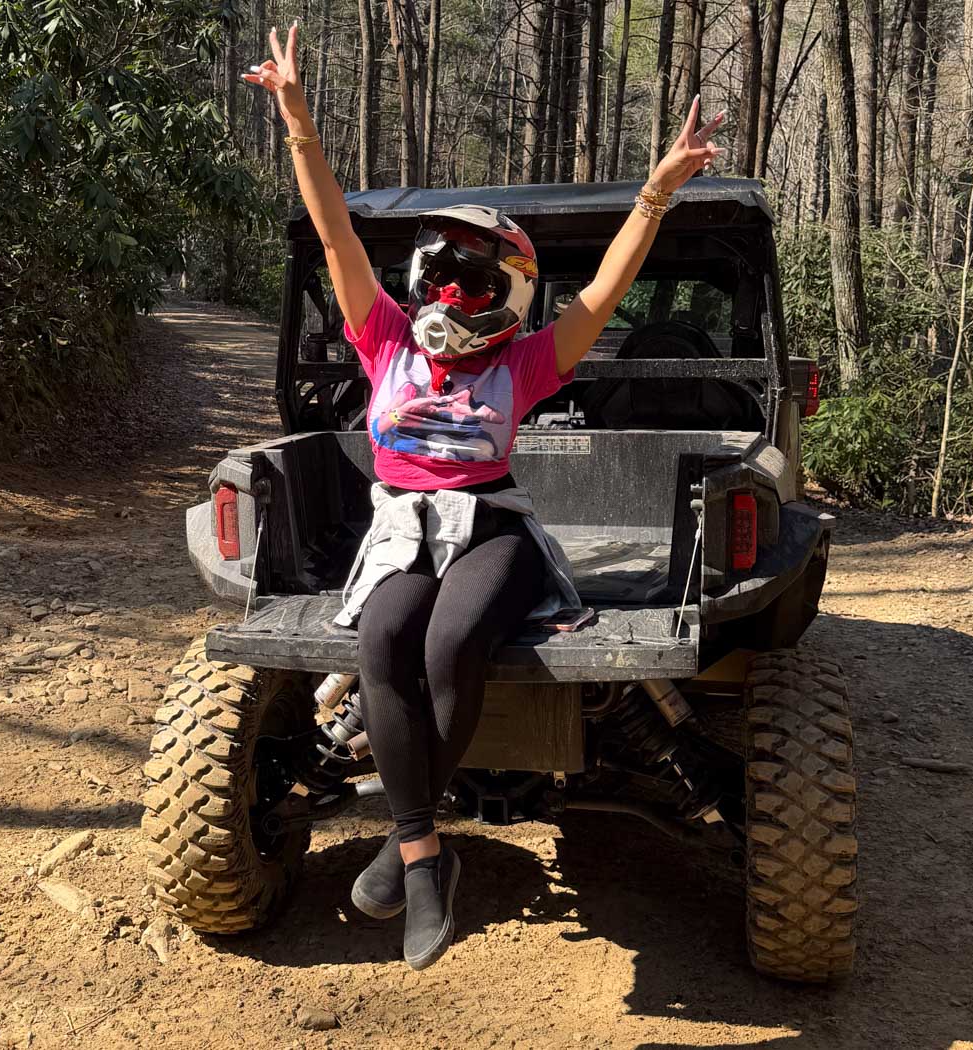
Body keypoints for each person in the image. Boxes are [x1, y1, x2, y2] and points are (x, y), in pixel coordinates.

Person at [243, 22, 723, 970]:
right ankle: (426, 853)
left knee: (450, 643)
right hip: (401, 528)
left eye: (473, 281)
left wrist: (658, 192)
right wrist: (299, 123)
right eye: (442, 276)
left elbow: (606, 290)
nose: (453, 296)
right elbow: (335, 231)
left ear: (507, 291)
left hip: (492, 526)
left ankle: (407, 848)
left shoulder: (527, 362)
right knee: (383, 640)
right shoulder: (384, 338)